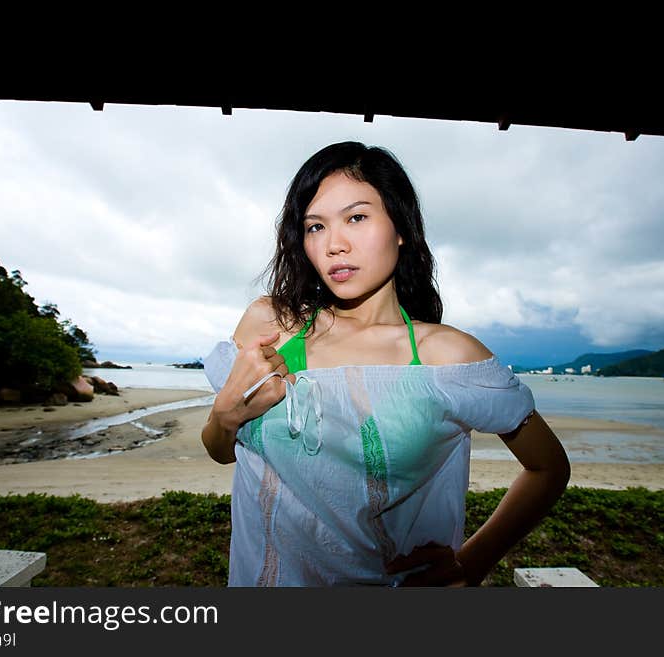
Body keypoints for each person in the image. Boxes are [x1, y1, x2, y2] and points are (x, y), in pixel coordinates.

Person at [201, 141, 570, 586]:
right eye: (315, 226)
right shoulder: (269, 325)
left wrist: (471, 563)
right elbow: (222, 451)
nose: (335, 244)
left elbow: (549, 468)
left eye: (356, 217)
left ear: (400, 228)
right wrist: (226, 415)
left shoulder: (447, 358)